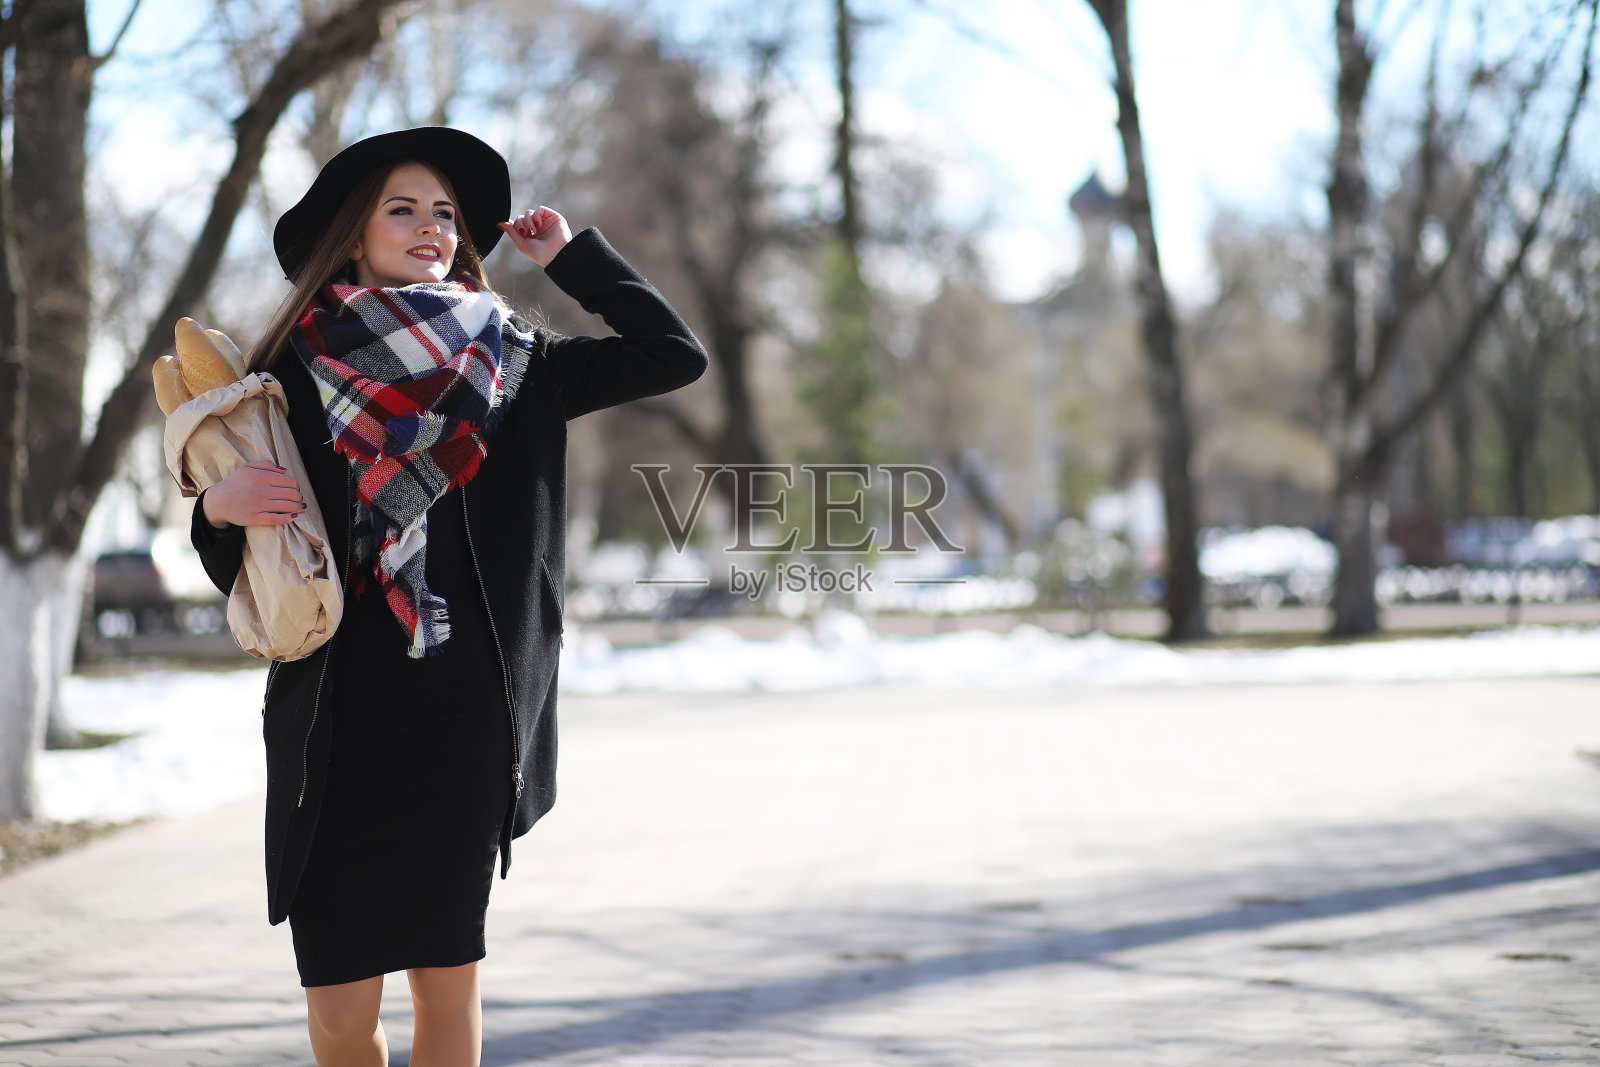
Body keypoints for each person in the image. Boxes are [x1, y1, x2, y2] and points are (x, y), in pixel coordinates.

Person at [188, 127, 708, 1066]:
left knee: (446, 980)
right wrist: (219, 510)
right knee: (340, 1007)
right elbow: (251, 552)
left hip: (464, 713)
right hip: (337, 718)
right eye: (403, 209)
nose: (431, 227)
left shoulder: (518, 365)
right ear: (354, 236)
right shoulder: (295, 373)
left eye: (445, 213)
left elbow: (673, 354)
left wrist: (572, 260)